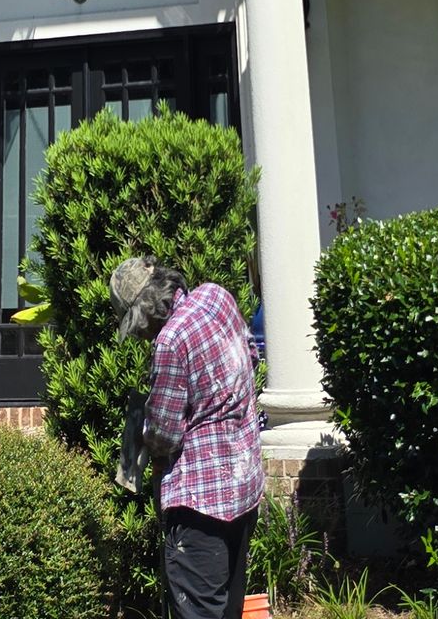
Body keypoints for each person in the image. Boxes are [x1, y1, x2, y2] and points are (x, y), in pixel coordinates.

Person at [111, 255, 264, 619]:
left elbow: (164, 434)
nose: (140, 335)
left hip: (199, 508)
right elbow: (252, 356)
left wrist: (140, 433)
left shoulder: (171, 341)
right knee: (229, 608)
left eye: (137, 326)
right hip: (243, 490)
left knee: (198, 610)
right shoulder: (216, 296)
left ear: (145, 310)